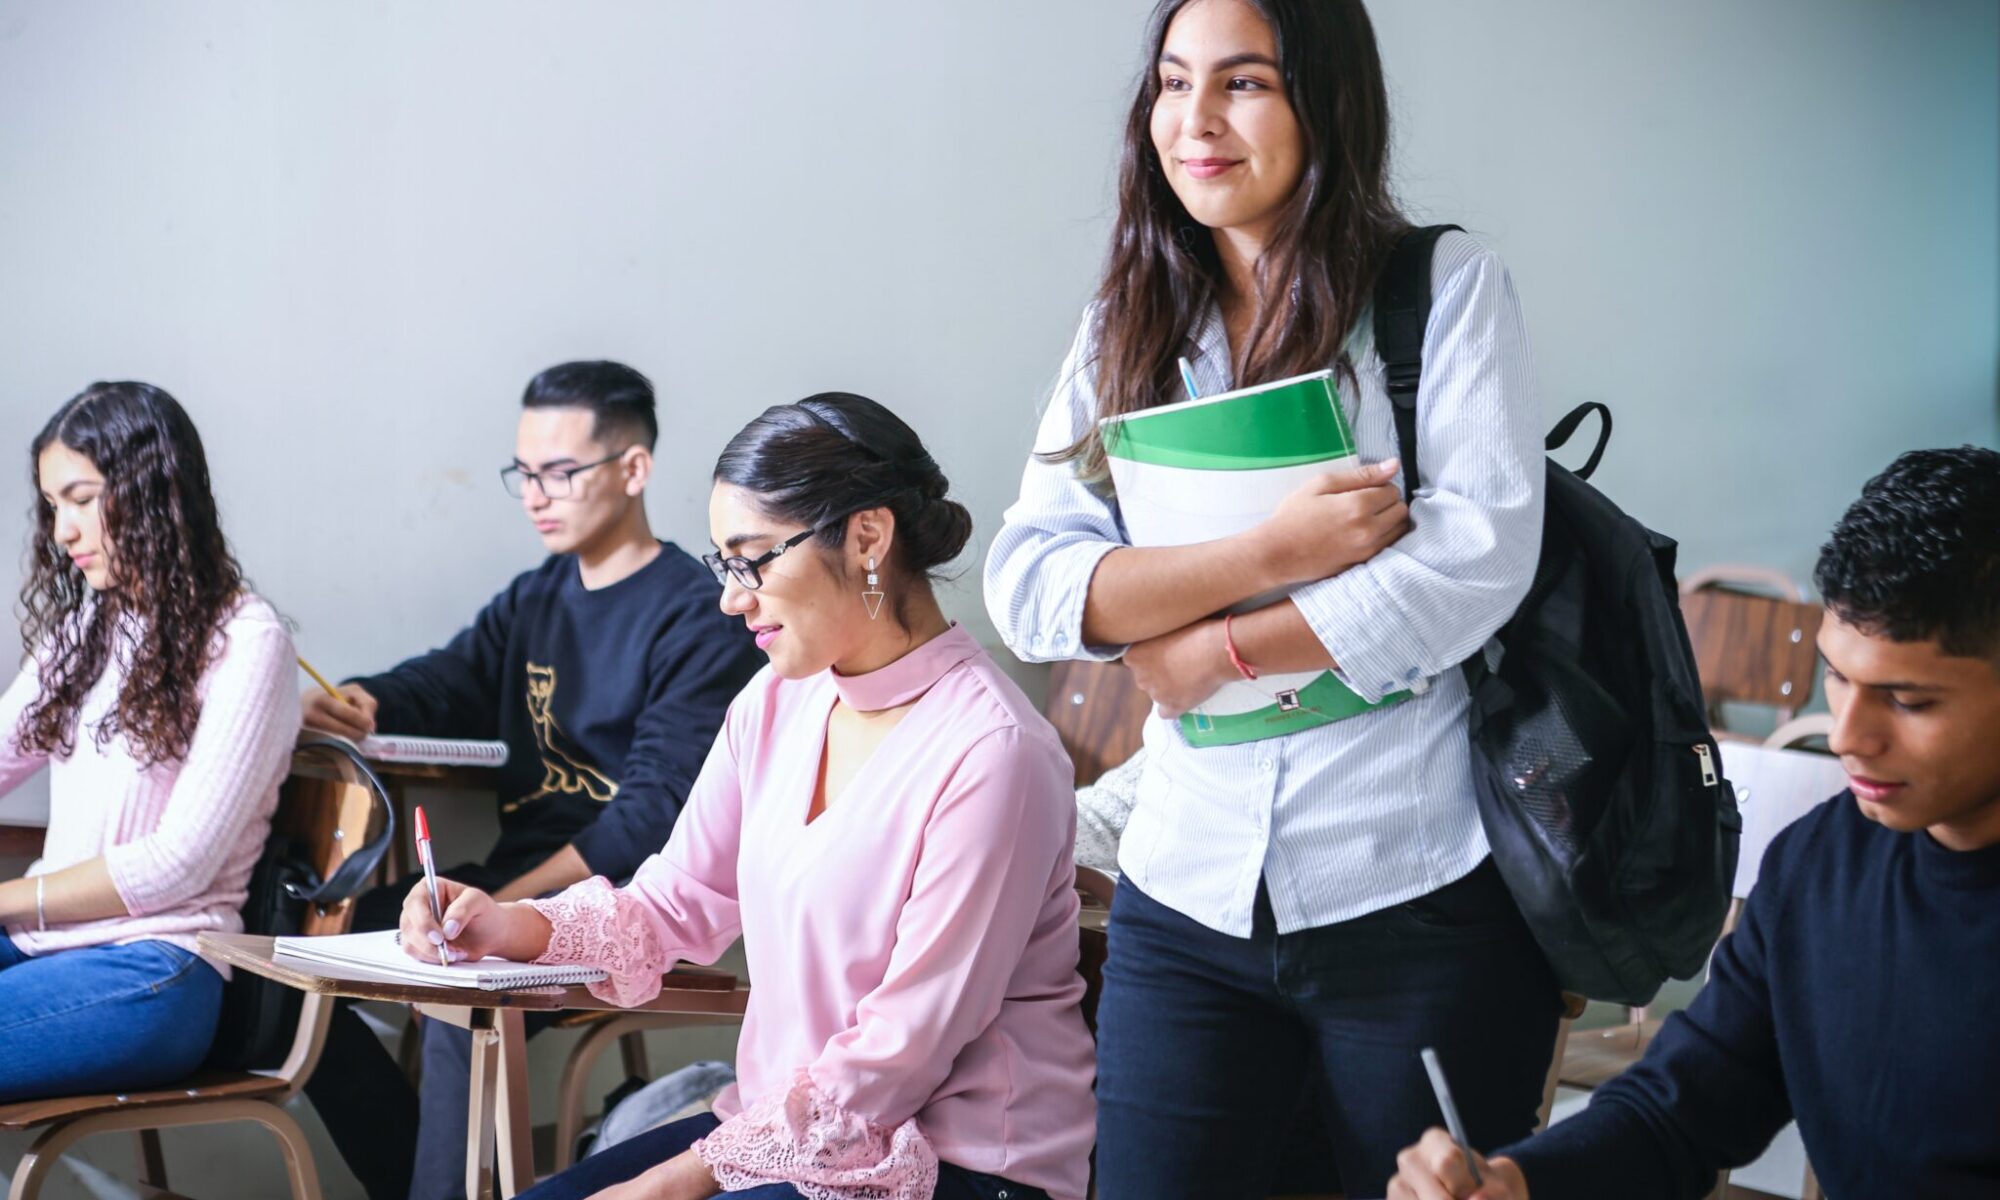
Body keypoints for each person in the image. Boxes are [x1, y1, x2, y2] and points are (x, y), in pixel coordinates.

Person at [984, 1, 1558, 1194]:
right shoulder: (1124, 322)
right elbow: (1030, 584)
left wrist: (1207, 656)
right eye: (1172, 83)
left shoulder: (1441, 290)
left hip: (1412, 883)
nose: (1194, 122)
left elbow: (1471, 564)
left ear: (1323, 100)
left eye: (1242, 83)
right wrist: (1270, 556)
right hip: (1185, 888)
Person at [407, 392, 1095, 1200]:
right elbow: (672, 902)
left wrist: (664, 1187)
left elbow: (898, 1053)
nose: (733, 597)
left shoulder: (994, 755)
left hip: (962, 1166)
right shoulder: (774, 703)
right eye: (723, 564)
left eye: (754, 559)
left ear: (867, 536)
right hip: (786, 1133)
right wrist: (503, 925)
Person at [1388, 445, 2000, 1200]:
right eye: (1838, 677)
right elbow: (1683, 1109)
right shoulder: (1818, 867)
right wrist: (1518, 1180)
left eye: (1909, 701)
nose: (1846, 734)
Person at [299, 360, 763, 1200]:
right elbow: (452, 679)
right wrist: (361, 700)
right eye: (525, 474)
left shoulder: (698, 615)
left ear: (633, 469)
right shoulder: (538, 596)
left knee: (459, 1002)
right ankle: (418, 1182)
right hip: (516, 884)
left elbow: (645, 824)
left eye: (561, 472)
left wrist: (507, 910)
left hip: (623, 901)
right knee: (312, 968)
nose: (537, 495)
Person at [0, 382, 299, 1101]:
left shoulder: (248, 641)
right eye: (52, 506)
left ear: (152, 487)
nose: (63, 530)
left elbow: (176, 865)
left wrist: (5, 899)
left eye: (81, 498)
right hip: (42, 949)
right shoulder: (83, 633)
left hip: (154, 969)